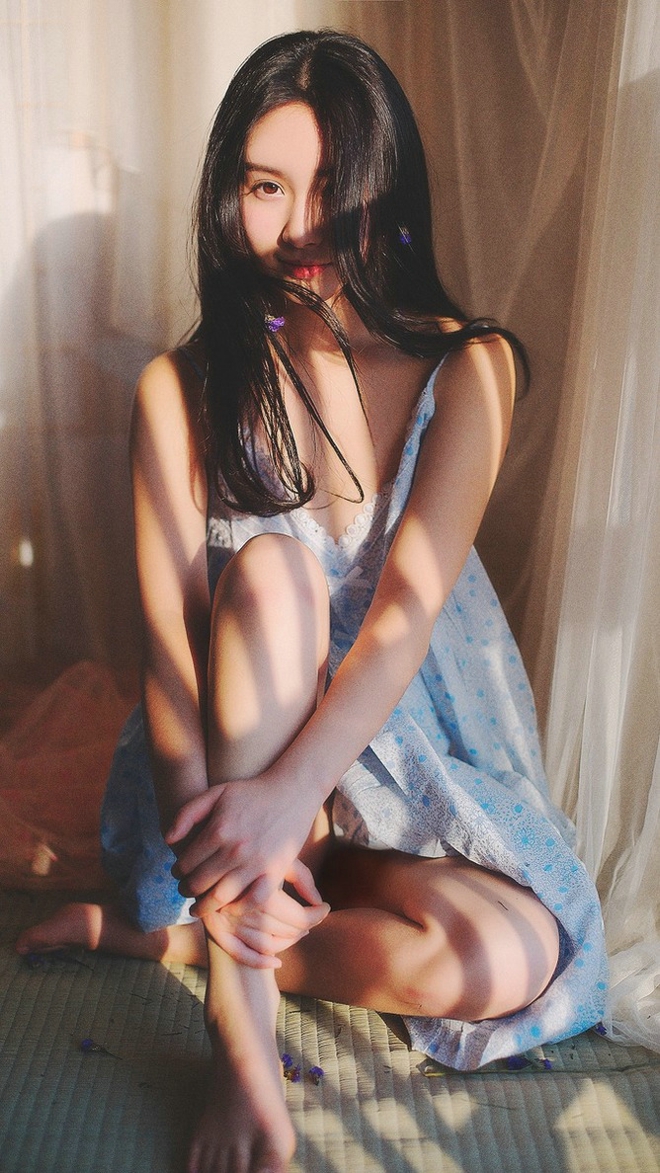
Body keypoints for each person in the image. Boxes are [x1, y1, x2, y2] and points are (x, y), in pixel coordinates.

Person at [17, 29, 607, 1173]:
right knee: (277, 574)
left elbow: (403, 621)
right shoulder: (180, 390)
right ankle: (235, 1012)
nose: (301, 227)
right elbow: (171, 659)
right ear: (226, 196)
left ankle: (173, 946)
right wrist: (231, 853)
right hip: (219, 782)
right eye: (266, 187)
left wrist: (296, 801)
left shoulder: (468, 367)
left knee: (514, 956)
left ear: (391, 191)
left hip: (398, 757)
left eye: (336, 188)